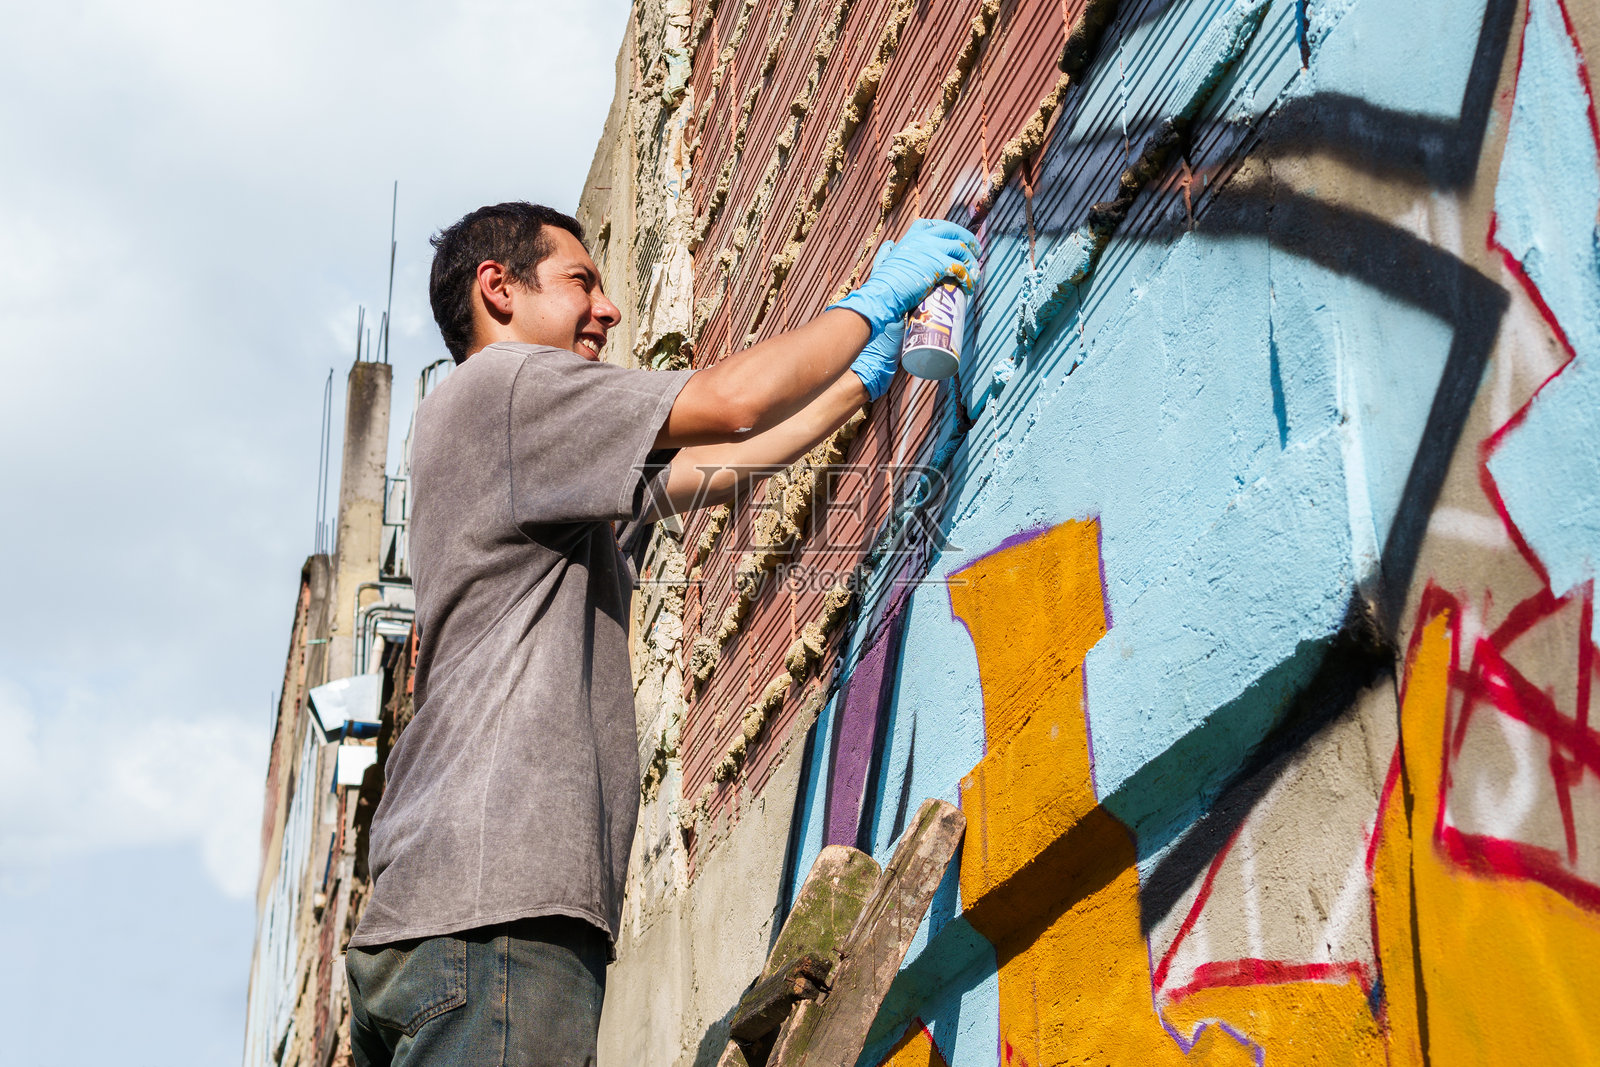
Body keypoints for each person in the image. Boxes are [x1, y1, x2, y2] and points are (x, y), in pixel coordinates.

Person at [343, 201, 979, 1066]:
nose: (606, 309)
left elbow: (720, 466)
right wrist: (873, 297)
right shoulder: (511, 387)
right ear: (498, 290)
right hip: (494, 920)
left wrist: (860, 380)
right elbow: (732, 399)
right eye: (580, 282)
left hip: (435, 924)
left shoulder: (522, 452)